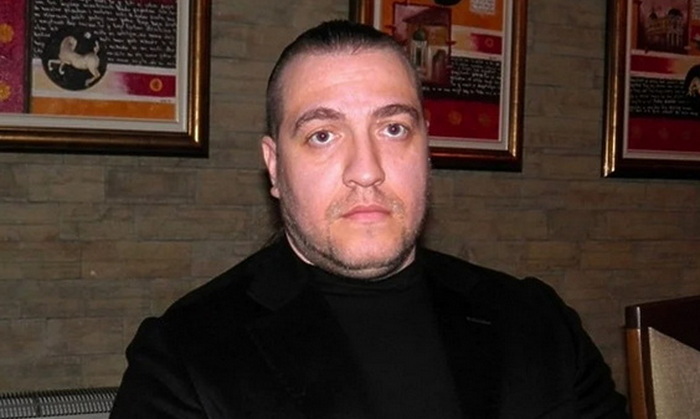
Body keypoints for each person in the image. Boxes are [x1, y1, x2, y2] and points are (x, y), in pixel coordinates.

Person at [110, 20, 628, 418]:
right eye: (323, 135)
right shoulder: (185, 354)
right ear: (274, 167)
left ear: (427, 149)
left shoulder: (538, 323)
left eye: (394, 129)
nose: (366, 170)